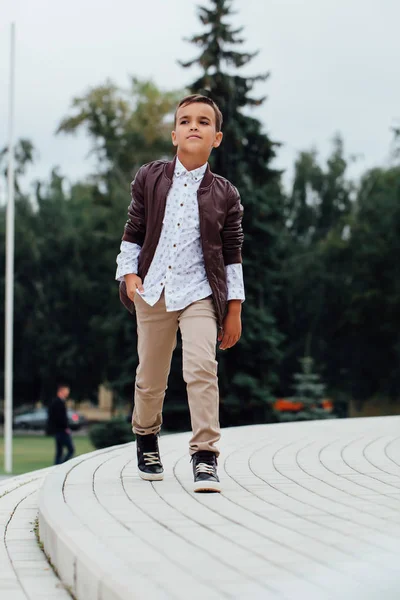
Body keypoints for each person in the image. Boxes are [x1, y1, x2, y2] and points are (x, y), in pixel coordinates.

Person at [116, 94, 245, 493]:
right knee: (151, 377)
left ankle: (205, 456)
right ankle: (147, 439)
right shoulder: (151, 177)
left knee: (201, 369)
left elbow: (232, 255)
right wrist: (129, 274)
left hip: (200, 294)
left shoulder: (225, 194)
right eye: (185, 121)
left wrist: (234, 309)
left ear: (216, 138)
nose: (194, 126)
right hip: (153, 291)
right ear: (174, 135)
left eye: (203, 122)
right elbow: (133, 231)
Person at [47, 384, 75, 465]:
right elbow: (60, 418)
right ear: (61, 391)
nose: (67, 393)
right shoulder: (58, 402)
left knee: (59, 451)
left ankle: (57, 466)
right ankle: (62, 465)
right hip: (61, 430)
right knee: (71, 449)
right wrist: (66, 427)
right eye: (66, 391)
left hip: (58, 430)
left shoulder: (58, 402)